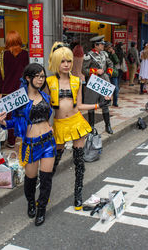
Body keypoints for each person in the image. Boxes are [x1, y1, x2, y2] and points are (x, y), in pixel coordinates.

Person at [47, 42, 109, 211]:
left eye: (69, 61)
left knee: (79, 162)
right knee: (54, 162)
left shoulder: (76, 81)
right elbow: (44, 106)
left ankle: (78, 196)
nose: (66, 64)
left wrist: (98, 106)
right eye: (62, 61)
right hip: (59, 125)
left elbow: (79, 105)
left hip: (76, 123)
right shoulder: (49, 81)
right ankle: (44, 194)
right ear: (55, 62)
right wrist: (46, 125)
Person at [0, 63, 56, 226]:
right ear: (28, 78)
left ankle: (41, 209)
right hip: (30, 145)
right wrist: (3, 123)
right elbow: (14, 122)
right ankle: (31, 202)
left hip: (48, 143)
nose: (40, 79)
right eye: (37, 76)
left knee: (46, 179)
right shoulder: (20, 100)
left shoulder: (45, 96)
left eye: (42, 76)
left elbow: (47, 115)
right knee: (31, 179)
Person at [0, 30, 29, 148]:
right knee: (23, 114)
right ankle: (24, 138)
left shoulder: (2, 55)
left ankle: (11, 141)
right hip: (22, 90)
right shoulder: (26, 55)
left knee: (9, 116)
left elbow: (0, 75)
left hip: (7, 91)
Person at [82, 35, 114, 134]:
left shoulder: (104, 54)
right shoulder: (88, 55)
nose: (103, 46)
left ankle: (107, 125)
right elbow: (84, 70)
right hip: (93, 82)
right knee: (92, 105)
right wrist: (95, 71)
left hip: (104, 81)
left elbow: (110, 64)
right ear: (96, 45)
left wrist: (108, 73)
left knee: (105, 103)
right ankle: (91, 127)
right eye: (101, 44)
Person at [105, 42, 119, 107]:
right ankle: (107, 102)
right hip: (106, 73)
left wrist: (113, 54)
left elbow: (117, 61)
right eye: (109, 47)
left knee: (115, 88)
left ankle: (115, 102)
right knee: (107, 88)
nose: (110, 48)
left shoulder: (113, 54)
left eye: (111, 47)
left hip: (113, 73)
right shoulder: (104, 54)